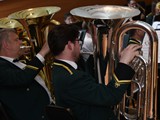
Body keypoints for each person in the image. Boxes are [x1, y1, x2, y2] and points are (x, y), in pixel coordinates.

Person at [48, 24, 141, 120]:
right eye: (77, 41)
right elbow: (112, 96)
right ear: (70, 46)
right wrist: (124, 63)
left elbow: (90, 81)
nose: (79, 46)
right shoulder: (72, 78)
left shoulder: (59, 68)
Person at [0, 28, 52, 120]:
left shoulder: (16, 61)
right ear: (6, 45)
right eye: (16, 40)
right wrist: (42, 52)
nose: (21, 42)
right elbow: (22, 77)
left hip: (46, 112)